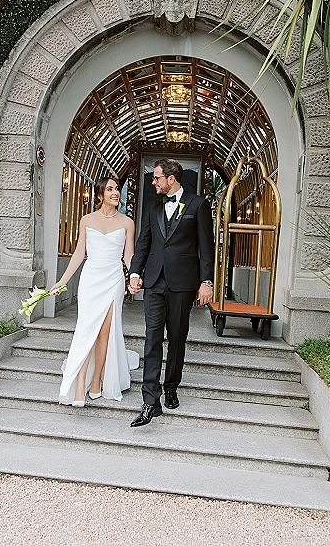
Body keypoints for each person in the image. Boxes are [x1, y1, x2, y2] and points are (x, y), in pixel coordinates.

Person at [128, 158, 215, 427]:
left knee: (177, 337)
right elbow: (144, 242)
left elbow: (207, 247)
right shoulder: (153, 206)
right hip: (154, 282)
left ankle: (171, 386)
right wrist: (134, 273)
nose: (153, 182)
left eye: (156, 178)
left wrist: (206, 282)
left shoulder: (198, 205)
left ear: (171, 179)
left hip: (183, 283)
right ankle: (149, 400)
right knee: (152, 337)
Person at [50, 176, 139, 407]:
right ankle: (80, 384)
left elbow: (129, 256)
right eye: (110, 189)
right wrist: (62, 281)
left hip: (113, 280)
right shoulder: (87, 220)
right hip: (91, 279)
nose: (115, 192)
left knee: (105, 333)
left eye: (117, 189)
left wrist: (135, 276)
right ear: (100, 195)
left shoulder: (127, 222)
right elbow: (80, 253)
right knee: (87, 330)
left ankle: (97, 378)